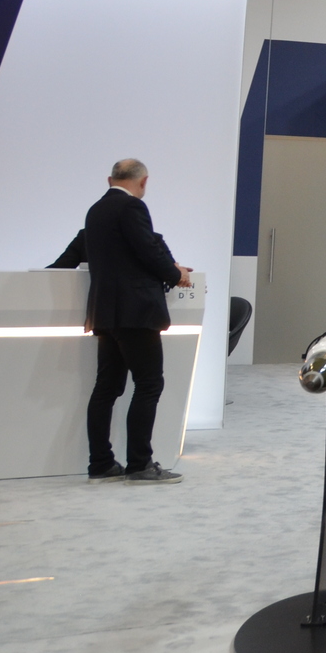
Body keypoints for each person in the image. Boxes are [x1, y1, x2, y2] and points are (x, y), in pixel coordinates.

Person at [82, 159, 192, 484]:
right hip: (135, 312)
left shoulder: (95, 210)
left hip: (105, 312)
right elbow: (148, 251)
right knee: (149, 384)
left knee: (106, 388)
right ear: (143, 181)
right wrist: (176, 273)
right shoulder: (132, 207)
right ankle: (140, 464)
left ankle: (101, 463)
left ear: (110, 179)